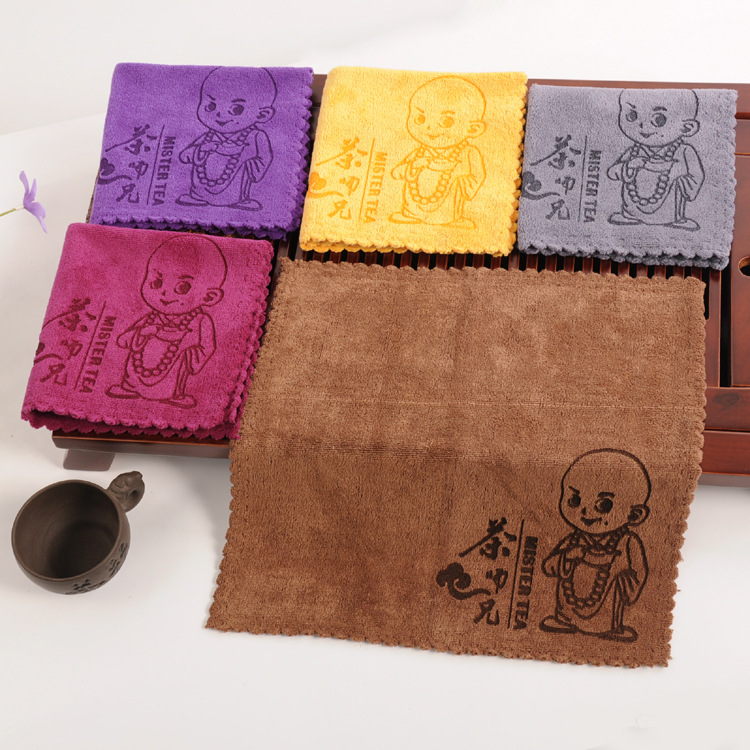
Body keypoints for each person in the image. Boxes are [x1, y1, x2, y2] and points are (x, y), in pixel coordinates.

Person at [539, 449, 651, 642]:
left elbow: (639, 572)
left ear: (635, 514)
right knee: (567, 603)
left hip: (605, 606)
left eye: (603, 505)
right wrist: (567, 556)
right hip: (568, 608)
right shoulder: (573, 540)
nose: (585, 510)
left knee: (604, 616)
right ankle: (564, 621)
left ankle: (609, 628)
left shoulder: (627, 542)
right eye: (574, 500)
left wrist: (625, 578)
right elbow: (549, 566)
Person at [106, 234, 226, 408]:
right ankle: (130, 387)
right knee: (135, 365)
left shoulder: (200, 320)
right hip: (138, 371)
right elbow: (123, 340)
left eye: (182, 287)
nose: (164, 293)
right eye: (156, 282)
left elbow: (207, 347)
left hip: (174, 367)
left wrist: (187, 349)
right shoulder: (152, 317)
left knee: (176, 371)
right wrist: (143, 332)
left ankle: (175, 394)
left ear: (210, 296)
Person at [389, 76, 487, 228]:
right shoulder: (419, 153)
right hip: (412, 208)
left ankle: (452, 219)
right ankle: (411, 214)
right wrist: (415, 165)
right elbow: (397, 173)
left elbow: (477, 176)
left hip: (448, 209)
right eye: (420, 118)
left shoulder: (468, 152)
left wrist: (457, 176)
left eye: (446, 122)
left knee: (449, 213)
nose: (429, 127)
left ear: (473, 129)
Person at [177, 67, 277, 210]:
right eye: (211, 106)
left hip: (235, 190)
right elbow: (185, 155)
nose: (220, 114)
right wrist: (203, 148)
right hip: (200, 190)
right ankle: (197, 197)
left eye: (236, 109)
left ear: (263, 115)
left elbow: (264, 158)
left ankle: (241, 200)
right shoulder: (208, 137)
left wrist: (245, 156)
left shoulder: (255, 136)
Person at [607, 89, 704, 230]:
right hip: (631, 209)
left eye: (658, 120)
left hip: (669, 211)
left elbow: (696, 176)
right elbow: (612, 172)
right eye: (632, 116)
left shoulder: (684, 151)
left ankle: (677, 220)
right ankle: (630, 216)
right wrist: (629, 165)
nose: (642, 125)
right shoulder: (634, 151)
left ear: (687, 127)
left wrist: (674, 171)